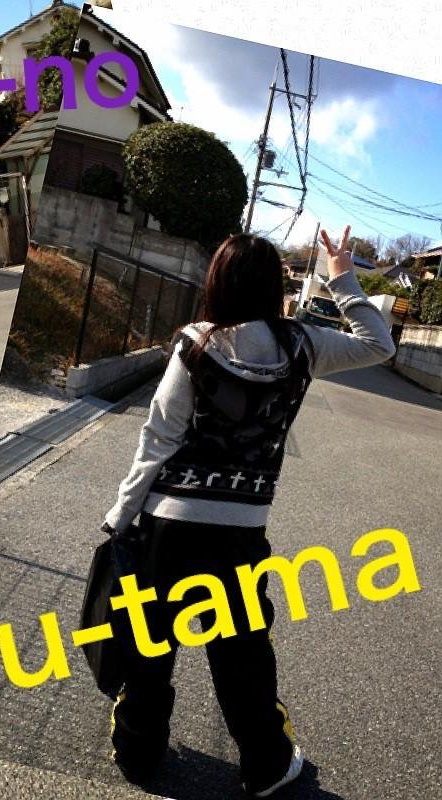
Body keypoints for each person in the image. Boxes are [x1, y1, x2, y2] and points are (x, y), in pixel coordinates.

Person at [101, 227, 395, 796]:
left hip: (167, 525)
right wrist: (342, 280)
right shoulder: (303, 345)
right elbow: (379, 344)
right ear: (272, 288)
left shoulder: (195, 344)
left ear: (218, 282)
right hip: (240, 535)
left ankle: (138, 753)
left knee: (149, 643)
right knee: (243, 657)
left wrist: (120, 514)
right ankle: (266, 767)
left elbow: (157, 439)